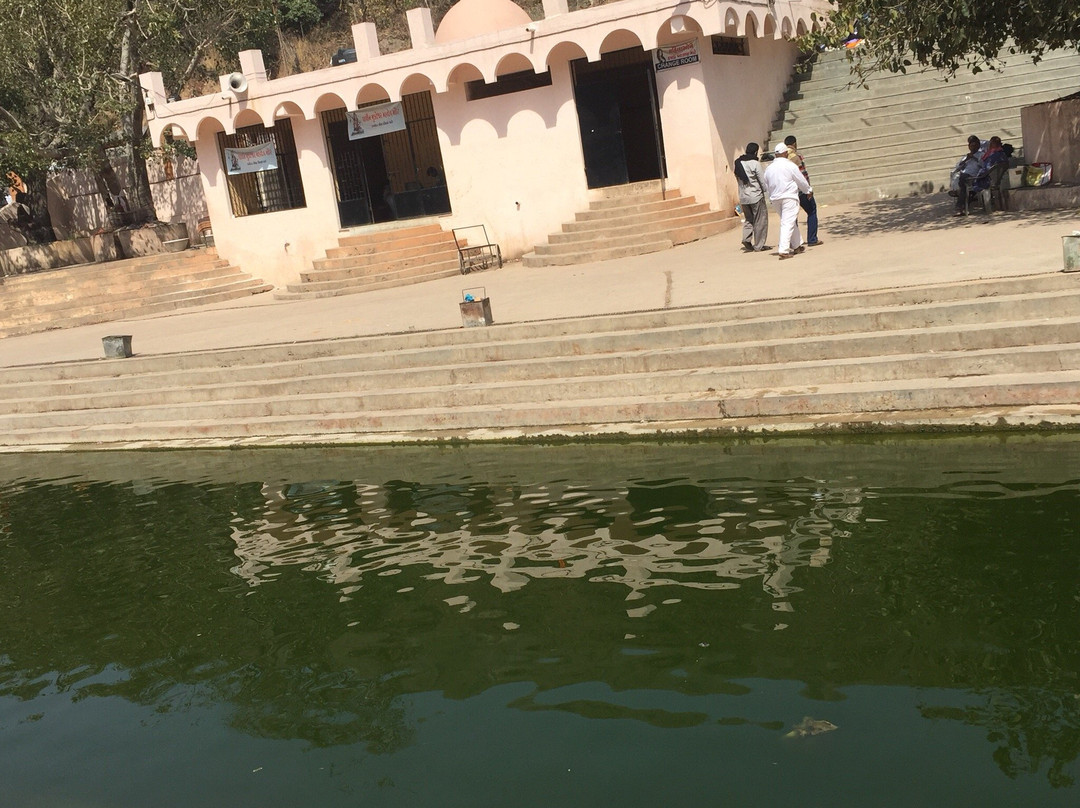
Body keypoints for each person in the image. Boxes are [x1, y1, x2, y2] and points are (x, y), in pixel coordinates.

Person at [762, 143, 812, 260]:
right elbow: (800, 179)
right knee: (787, 222)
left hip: (775, 198)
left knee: (788, 221)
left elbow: (766, 185)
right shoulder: (789, 166)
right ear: (785, 153)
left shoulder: (769, 168)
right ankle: (783, 250)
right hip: (788, 197)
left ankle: (797, 245)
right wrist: (808, 190)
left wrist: (771, 196)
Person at [784, 135, 822, 246]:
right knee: (812, 211)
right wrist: (808, 189)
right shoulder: (796, 156)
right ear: (795, 143)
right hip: (801, 191)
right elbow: (803, 174)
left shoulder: (782, 158)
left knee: (792, 217)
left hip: (789, 191)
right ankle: (812, 239)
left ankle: (794, 242)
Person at [733, 142, 769, 252]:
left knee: (749, 219)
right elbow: (762, 180)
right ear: (755, 152)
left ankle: (746, 238)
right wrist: (765, 190)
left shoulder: (738, 163)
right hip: (756, 196)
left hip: (743, 197)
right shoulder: (755, 163)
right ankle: (759, 245)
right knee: (760, 220)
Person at [952, 135, 988, 216]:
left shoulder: (981, 155)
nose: (973, 148)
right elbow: (958, 167)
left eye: (975, 146)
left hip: (974, 176)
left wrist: (974, 158)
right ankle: (961, 205)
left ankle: (960, 205)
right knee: (961, 182)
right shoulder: (966, 156)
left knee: (962, 183)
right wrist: (966, 160)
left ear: (978, 146)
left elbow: (983, 165)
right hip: (964, 176)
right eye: (971, 146)